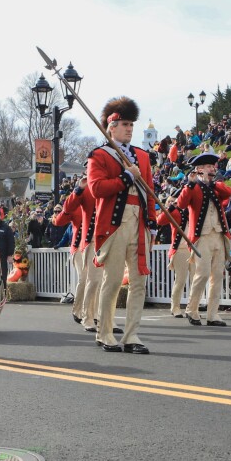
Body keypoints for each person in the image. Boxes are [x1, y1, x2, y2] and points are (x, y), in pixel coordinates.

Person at [86, 96, 155, 354]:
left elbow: (150, 192)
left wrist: (153, 223)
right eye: (124, 124)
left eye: (131, 124)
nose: (129, 128)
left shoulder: (142, 157)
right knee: (113, 280)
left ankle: (132, 335)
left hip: (139, 224)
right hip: (114, 224)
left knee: (139, 282)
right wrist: (125, 177)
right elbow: (96, 189)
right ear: (111, 126)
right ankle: (105, 333)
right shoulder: (100, 155)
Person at [178, 152, 231, 326]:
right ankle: (191, 309)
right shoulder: (192, 187)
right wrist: (190, 183)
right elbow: (181, 204)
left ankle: (213, 314)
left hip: (218, 235)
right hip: (202, 237)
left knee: (217, 276)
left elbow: (228, 193)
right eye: (209, 167)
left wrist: (213, 181)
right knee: (201, 275)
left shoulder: (216, 187)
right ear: (199, 169)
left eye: (213, 166)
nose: (213, 169)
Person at [54, 175, 102, 331]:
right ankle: (78, 310)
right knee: (85, 277)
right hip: (79, 246)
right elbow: (59, 221)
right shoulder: (77, 201)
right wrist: (77, 191)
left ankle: (93, 314)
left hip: (95, 244)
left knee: (96, 280)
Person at [157, 196, 190, 318]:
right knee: (180, 280)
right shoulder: (173, 212)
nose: (173, 203)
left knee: (196, 279)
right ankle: (175, 306)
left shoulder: (189, 209)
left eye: (174, 200)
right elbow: (160, 221)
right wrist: (171, 207)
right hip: (180, 249)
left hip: (192, 247)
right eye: (170, 201)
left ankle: (192, 307)